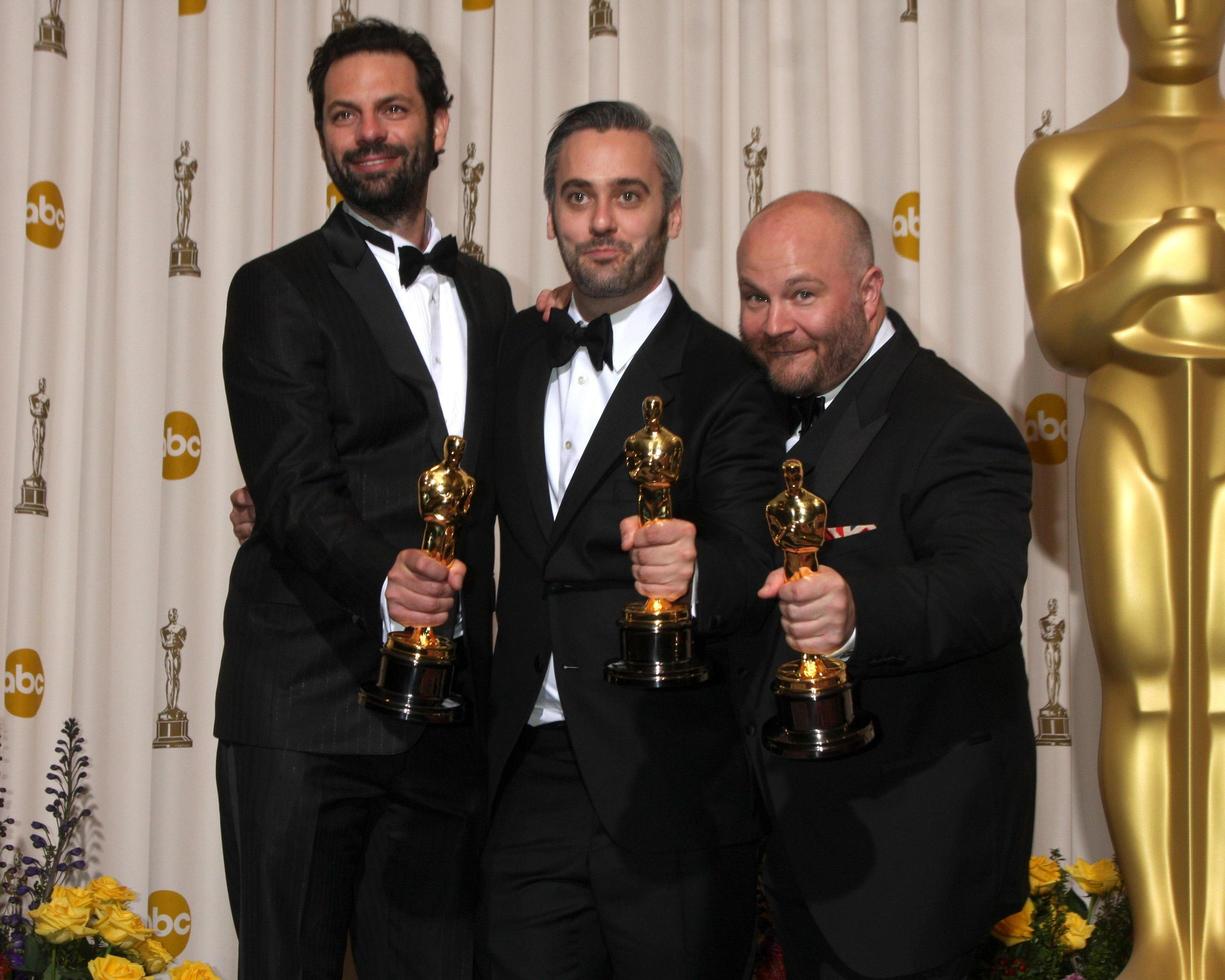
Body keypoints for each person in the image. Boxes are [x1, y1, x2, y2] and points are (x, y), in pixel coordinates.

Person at [217, 18, 512, 979]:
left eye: (392, 108)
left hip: (447, 718)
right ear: (322, 135)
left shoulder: (495, 297)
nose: (369, 133)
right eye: (344, 115)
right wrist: (388, 584)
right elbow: (293, 491)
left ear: (438, 124)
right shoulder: (274, 289)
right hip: (304, 706)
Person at [478, 100, 785, 979]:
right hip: (526, 772)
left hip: (672, 779)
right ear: (550, 215)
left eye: (627, 195)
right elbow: (437, 472)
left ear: (672, 214)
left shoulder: (730, 376)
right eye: (578, 197)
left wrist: (691, 575)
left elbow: (753, 551)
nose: (601, 221)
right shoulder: (512, 351)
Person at [737, 191, 1035, 979]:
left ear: (868, 293)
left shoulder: (953, 420)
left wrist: (856, 611)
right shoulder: (763, 399)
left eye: (802, 294)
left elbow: (980, 588)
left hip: (909, 858)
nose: (774, 322)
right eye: (754, 297)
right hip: (793, 838)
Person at [1015, 2, 1225, 972]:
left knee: (1218, 682)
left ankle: (1212, 929)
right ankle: (1162, 934)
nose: (1177, 13)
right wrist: (1152, 265)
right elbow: (1063, 328)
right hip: (1128, 429)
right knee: (1140, 678)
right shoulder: (1066, 161)